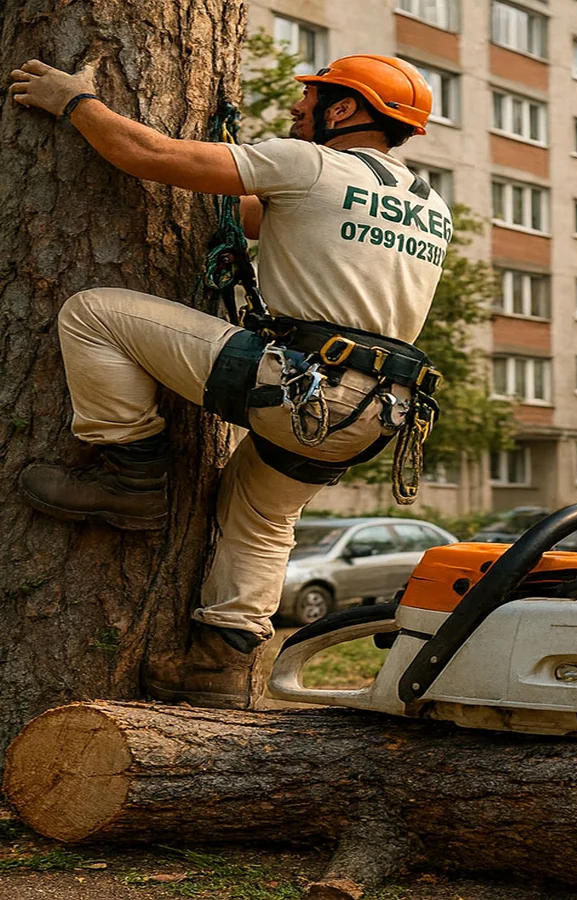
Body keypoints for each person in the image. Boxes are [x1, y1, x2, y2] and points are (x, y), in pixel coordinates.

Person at [7, 55, 451, 708]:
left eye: (311, 99)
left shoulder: (311, 165)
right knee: (263, 515)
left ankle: (132, 478)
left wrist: (74, 102)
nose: (299, 111)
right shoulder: (429, 207)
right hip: (376, 414)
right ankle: (218, 669)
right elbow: (252, 219)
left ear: (346, 110)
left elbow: (148, 153)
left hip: (301, 383)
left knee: (93, 313)